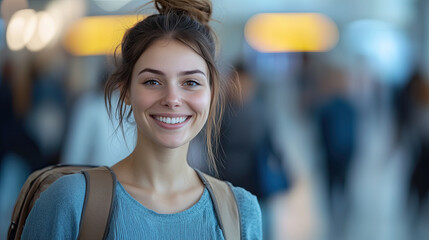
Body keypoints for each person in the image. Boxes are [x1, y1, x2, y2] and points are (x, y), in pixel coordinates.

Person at [21, 0, 262, 239]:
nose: (172, 99)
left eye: (191, 83)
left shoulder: (240, 212)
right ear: (125, 91)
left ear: (211, 92)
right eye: (152, 82)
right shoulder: (70, 201)